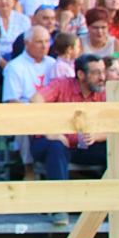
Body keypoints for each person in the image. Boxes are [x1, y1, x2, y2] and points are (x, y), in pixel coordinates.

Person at [30, 55, 108, 225]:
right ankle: (60, 209)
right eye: (96, 73)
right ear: (81, 74)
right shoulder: (62, 84)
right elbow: (35, 100)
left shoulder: (105, 92)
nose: (102, 77)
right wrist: (51, 131)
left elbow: (115, 127)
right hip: (51, 144)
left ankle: (108, 206)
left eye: (103, 72)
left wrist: (97, 135)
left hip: (86, 146)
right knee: (56, 147)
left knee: (117, 149)